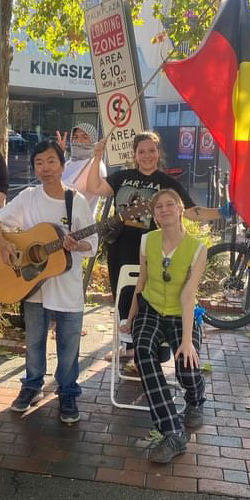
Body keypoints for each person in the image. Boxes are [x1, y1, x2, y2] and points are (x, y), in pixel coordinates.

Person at [86, 131, 227, 355]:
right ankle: (129, 346)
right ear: (134, 154)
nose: (147, 155)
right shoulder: (123, 177)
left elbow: (192, 212)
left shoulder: (167, 182)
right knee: (122, 295)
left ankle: (149, 348)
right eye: (141, 151)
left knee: (146, 294)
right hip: (119, 246)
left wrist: (222, 212)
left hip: (152, 246)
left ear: (158, 153)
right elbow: (94, 187)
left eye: (151, 150)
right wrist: (97, 156)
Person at [0, 141, 97, 424]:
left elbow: (94, 243)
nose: (45, 168)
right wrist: (2, 247)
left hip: (67, 288)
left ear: (62, 165)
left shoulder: (77, 201)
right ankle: (32, 386)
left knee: (68, 345)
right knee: (34, 342)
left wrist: (78, 244)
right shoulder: (28, 197)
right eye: (39, 162)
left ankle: (68, 392)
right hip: (32, 285)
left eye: (51, 161)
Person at [121, 189, 207, 463]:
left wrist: (185, 340)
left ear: (180, 210)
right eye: (158, 206)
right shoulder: (147, 241)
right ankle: (172, 432)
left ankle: (195, 399)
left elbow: (188, 295)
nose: (164, 209)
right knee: (143, 351)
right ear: (154, 213)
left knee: (186, 363)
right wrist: (131, 318)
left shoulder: (197, 249)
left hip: (181, 313)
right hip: (151, 309)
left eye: (170, 204)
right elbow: (141, 282)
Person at [57, 123, 107, 214]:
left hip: (78, 224)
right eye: (75, 137)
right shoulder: (70, 162)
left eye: (85, 137)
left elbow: (62, 192)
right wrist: (59, 156)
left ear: (93, 141)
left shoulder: (94, 164)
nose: (79, 141)